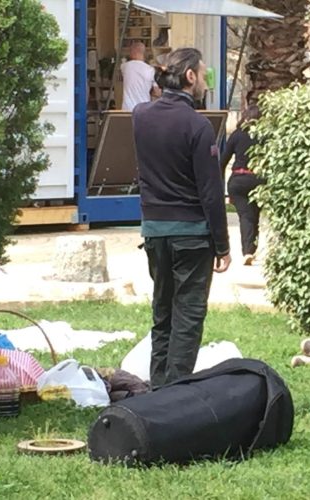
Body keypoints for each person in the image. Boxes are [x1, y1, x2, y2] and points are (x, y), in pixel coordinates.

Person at [132, 48, 231, 389]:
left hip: (155, 230)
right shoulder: (198, 126)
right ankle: (176, 394)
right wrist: (222, 244)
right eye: (202, 74)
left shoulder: (141, 116)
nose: (204, 81)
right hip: (192, 233)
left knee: (162, 312)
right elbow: (211, 191)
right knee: (188, 315)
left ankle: (157, 390)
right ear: (190, 76)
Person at [221, 105, 265, 265]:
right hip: (257, 178)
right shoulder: (264, 135)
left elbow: (223, 161)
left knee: (245, 216)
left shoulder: (237, 135)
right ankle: (251, 249)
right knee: (255, 215)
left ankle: (247, 251)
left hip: (238, 180)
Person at [121, 41, 159, 111]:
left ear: (133, 52)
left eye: (130, 51)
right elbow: (157, 92)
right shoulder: (151, 70)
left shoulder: (124, 66)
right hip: (143, 109)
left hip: (127, 109)